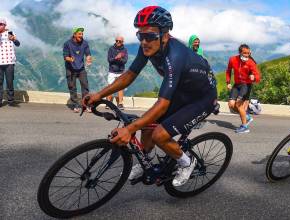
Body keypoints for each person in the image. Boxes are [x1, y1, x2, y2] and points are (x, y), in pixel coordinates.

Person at [83, 6, 217, 187]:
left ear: (165, 36)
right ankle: (146, 160)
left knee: (159, 135)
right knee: (147, 127)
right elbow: (130, 75)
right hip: (182, 92)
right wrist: (99, 95)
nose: (144, 41)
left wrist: (129, 130)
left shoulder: (175, 56)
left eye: (150, 36)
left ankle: (187, 162)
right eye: (140, 36)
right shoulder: (148, 47)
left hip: (202, 99)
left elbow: (162, 104)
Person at [226, 44, 261, 133]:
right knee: (231, 104)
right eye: (244, 53)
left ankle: (244, 127)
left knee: (238, 104)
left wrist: (254, 77)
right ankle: (247, 117)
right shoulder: (233, 59)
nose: (246, 55)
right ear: (240, 52)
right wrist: (228, 82)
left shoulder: (251, 62)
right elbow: (228, 70)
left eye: (248, 53)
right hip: (237, 85)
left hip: (246, 85)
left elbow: (258, 77)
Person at [63, 27, 92, 113]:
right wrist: (70, 59)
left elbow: (88, 53)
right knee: (72, 87)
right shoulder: (67, 44)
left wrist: (88, 58)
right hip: (70, 68)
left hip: (81, 68)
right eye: (79, 34)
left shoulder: (85, 43)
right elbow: (65, 56)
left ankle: (86, 105)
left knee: (85, 86)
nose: (81, 35)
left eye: (82, 34)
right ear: (74, 34)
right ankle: (76, 104)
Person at [0, 18, 20, 107]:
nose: (0, 26)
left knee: (9, 81)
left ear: (5, 25)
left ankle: (11, 100)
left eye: (1, 24)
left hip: (9, 61)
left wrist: (13, 39)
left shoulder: (10, 33)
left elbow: (18, 44)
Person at [107, 36, 128, 110]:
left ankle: (120, 103)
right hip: (112, 71)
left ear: (122, 42)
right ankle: (108, 103)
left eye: (120, 41)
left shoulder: (124, 50)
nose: (118, 42)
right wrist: (116, 58)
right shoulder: (111, 49)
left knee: (120, 87)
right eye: (117, 41)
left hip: (120, 71)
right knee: (110, 87)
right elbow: (109, 60)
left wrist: (120, 59)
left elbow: (125, 61)